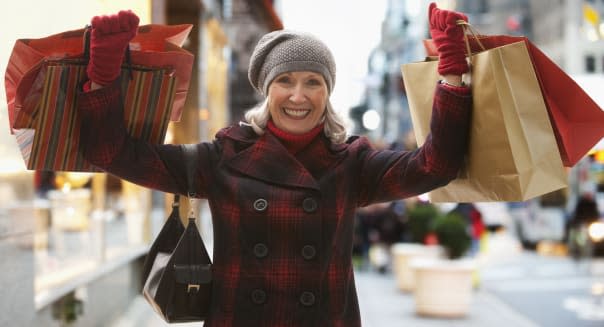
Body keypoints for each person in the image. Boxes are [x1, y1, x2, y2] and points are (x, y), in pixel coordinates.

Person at [78, 3, 472, 326]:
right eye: (285, 80)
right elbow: (113, 154)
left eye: (313, 82)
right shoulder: (223, 158)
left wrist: (452, 73)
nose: (298, 95)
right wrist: (104, 76)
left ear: (327, 92)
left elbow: (434, 167)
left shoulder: (351, 162)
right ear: (267, 91)